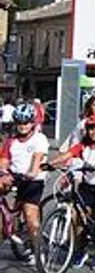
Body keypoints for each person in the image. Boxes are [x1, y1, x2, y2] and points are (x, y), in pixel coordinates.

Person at [62, 116, 95, 271]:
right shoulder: (82, 145)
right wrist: (50, 164)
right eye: (91, 128)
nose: (94, 132)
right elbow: (68, 155)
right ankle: (81, 250)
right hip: (88, 183)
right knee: (81, 218)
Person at [0, 104, 48, 264]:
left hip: (33, 180)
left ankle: (38, 250)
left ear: (32, 123)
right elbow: (4, 161)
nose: (23, 126)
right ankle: (7, 224)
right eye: (19, 123)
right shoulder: (11, 141)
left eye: (26, 122)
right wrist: (3, 172)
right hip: (15, 176)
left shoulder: (39, 139)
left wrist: (33, 172)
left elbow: (37, 158)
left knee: (29, 215)